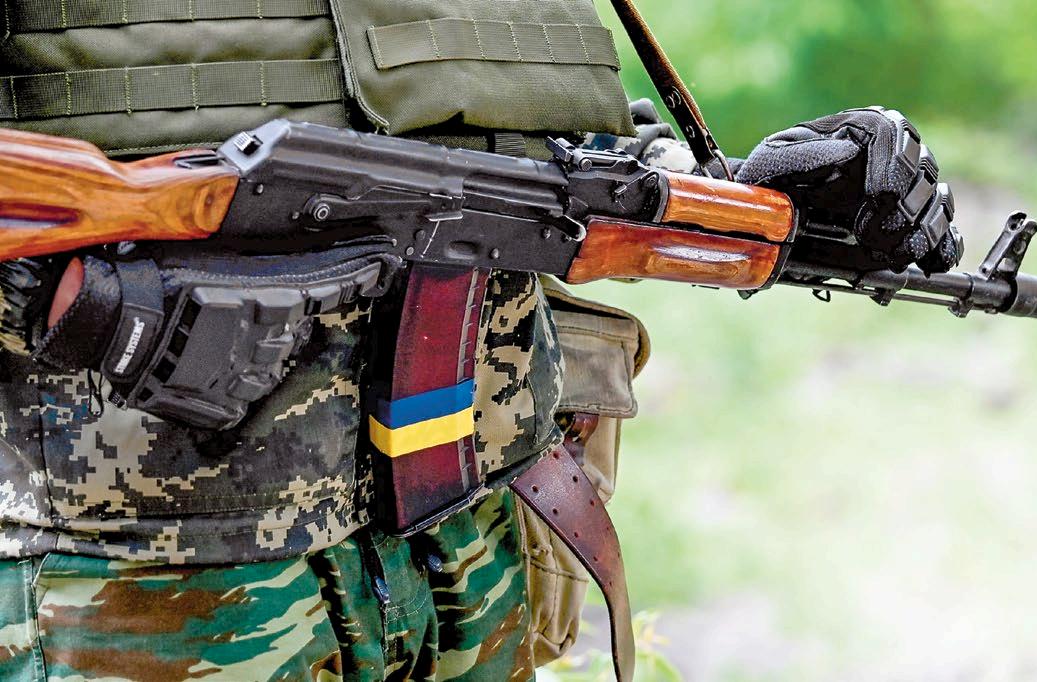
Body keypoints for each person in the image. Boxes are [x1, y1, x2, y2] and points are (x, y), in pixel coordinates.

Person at [0, 1, 959, 678]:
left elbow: (503, 113)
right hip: (134, 581)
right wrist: (62, 299)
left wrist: (730, 189)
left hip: (477, 535)